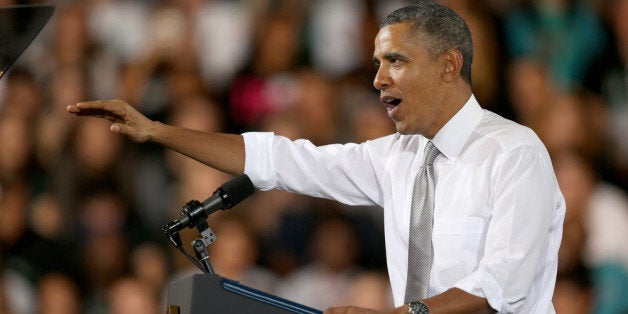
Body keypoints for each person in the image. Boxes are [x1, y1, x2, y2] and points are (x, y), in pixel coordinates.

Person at [67, 2, 565, 313]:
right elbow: (278, 159)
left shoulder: (515, 153)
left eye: (396, 61)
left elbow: (502, 286)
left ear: (448, 66)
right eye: (376, 64)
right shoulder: (396, 156)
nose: (378, 79)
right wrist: (157, 130)